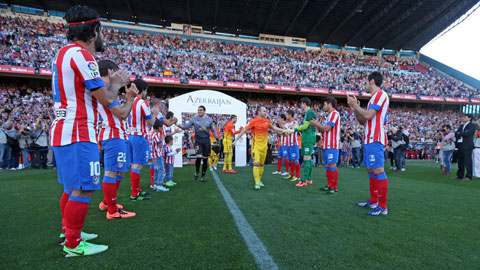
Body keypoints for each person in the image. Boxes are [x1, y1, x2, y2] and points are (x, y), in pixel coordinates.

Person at [52, 5, 130, 256]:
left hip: (64, 129)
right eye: (102, 31)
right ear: (94, 32)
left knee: (70, 187)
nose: (103, 36)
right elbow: (107, 100)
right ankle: (73, 245)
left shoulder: (63, 53)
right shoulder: (83, 57)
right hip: (79, 130)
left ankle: (69, 232)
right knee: (84, 188)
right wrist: (117, 84)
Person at [96, 59, 137, 219]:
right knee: (112, 171)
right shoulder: (104, 89)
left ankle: (107, 203)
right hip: (112, 134)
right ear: (111, 72)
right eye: (118, 71)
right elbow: (121, 113)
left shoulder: (106, 90)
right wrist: (131, 98)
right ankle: (112, 211)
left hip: (117, 134)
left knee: (119, 171)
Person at [347, 71, 390, 216]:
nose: (364, 85)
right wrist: (354, 109)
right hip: (370, 138)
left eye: (366, 82)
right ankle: (373, 201)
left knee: (378, 170)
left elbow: (368, 115)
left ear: (372, 81)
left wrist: (357, 106)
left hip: (376, 138)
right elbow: (363, 121)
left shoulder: (380, 95)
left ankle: (382, 207)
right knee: (371, 171)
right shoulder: (373, 98)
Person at [233, 106, 284, 190]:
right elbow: (244, 130)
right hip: (255, 147)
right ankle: (256, 182)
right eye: (264, 111)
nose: (266, 112)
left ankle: (259, 180)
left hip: (264, 147)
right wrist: (236, 140)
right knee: (256, 164)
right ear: (259, 112)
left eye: (266, 111)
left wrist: (283, 130)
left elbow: (274, 128)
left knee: (261, 165)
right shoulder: (253, 121)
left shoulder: (267, 121)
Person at [127, 79, 158, 201]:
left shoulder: (130, 101)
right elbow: (150, 122)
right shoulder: (143, 103)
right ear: (143, 90)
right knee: (137, 165)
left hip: (130, 135)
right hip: (140, 136)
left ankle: (136, 189)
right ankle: (134, 193)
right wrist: (154, 113)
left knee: (134, 164)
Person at [179, 105, 219, 182]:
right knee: (198, 157)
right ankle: (197, 171)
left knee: (205, 159)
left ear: (204, 111)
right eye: (198, 110)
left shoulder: (209, 120)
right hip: (198, 141)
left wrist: (217, 138)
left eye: (201, 110)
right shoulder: (194, 119)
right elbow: (185, 126)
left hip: (207, 141)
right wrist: (177, 124)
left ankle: (203, 176)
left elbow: (213, 130)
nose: (199, 111)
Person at [310, 97, 341, 194]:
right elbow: (323, 130)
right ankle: (330, 185)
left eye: (324, 104)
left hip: (332, 144)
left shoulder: (334, 114)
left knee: (332, 165)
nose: (324, 106)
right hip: (327, 144)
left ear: (329, 104)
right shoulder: (329, 115)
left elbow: (327, 128)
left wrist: (318, 124)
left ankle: (334, 188)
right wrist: (317, 125)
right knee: (327, 166)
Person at [292, 97, 317, 187]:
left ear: (304, 103)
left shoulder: (309, 112)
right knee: (308, 158)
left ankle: (304, 181)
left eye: (301, 103)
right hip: (307, 137)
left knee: (306, 158)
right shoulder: (308, 113)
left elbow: (306, 126)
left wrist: (295, 129)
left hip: (308, 138)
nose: (300, 105)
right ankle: (309, 179)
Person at [453, 114, 477, 181]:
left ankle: (469, 176)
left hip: (467, 145)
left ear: (469, 118)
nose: (463, 118)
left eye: (465, 117)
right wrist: (461, 133)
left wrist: (460, 134)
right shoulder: (462, 126)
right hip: (460, 145)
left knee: (467, 161)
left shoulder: (472, 125)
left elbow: (468, 133)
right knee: (460, 161)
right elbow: (456, 133)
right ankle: (460, 175)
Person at [150, 120, 170, 191]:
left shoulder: (151, 134)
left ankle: (155, 184)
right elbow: (160, 145)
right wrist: (162, 139)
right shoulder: (156, 135)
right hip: (158, 154)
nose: (162, 129)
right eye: (161, 128)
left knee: (156, 170)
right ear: (159, 127)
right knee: (161, 170)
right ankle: (159, 185)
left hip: (154, 154)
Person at [284, 110, 301, 182]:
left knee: (295, 159)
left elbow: (297, 131)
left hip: (294, 144)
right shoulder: (288, 124)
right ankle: (292, 174)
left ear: (290, 115)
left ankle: (298, 176)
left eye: (287, 114)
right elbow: (285, 131)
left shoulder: (294, 122)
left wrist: (289, 131)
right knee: (291, 159)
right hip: (288, 144)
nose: (286, 116)